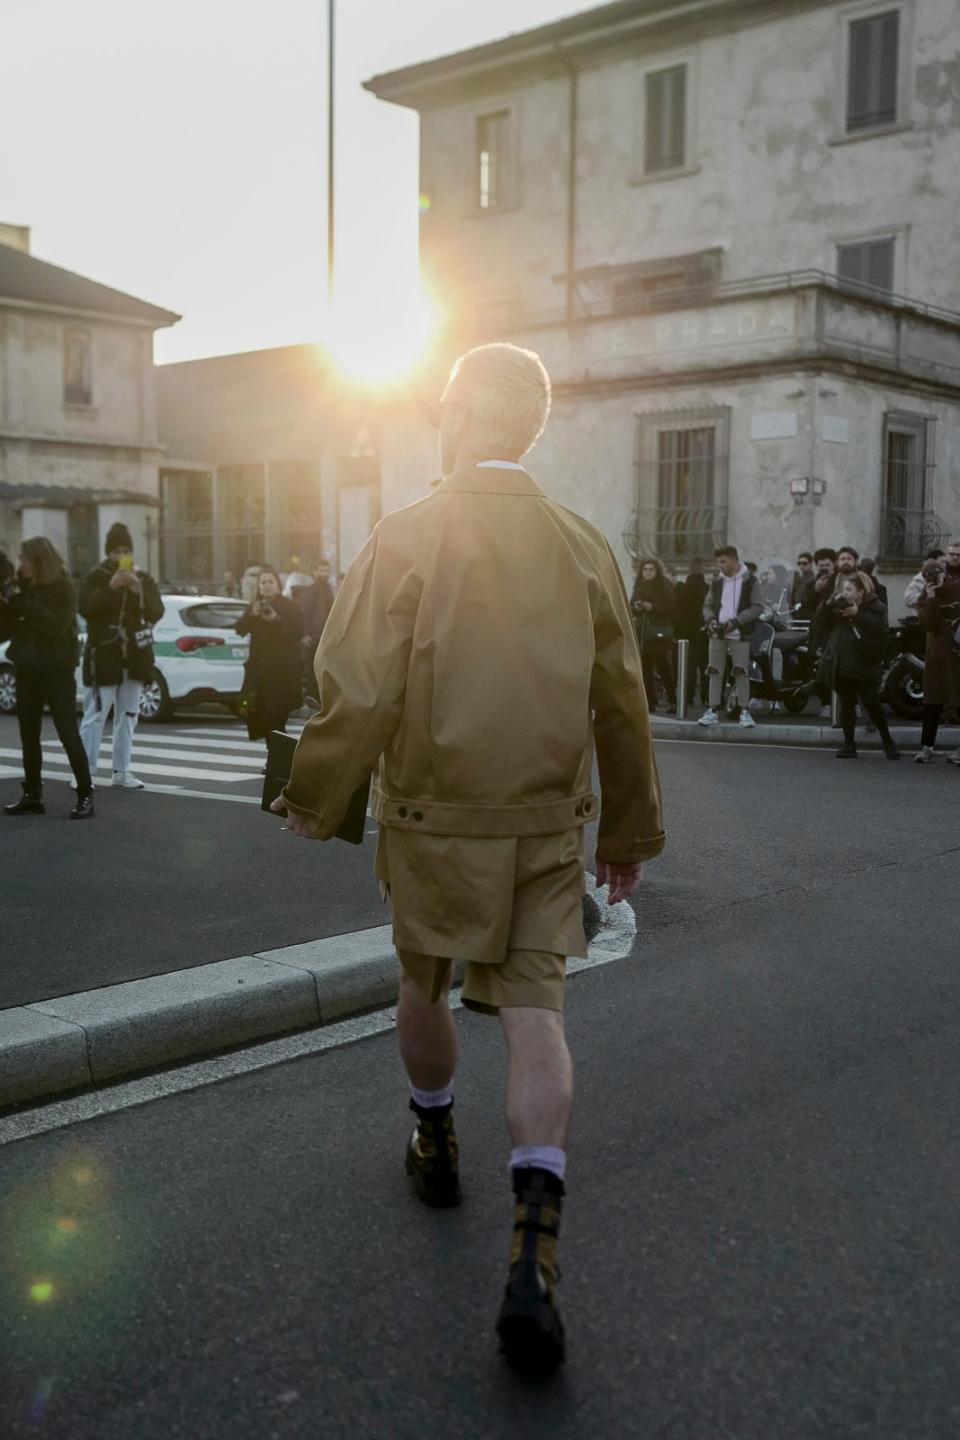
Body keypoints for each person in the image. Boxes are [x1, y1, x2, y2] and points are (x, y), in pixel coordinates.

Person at [272, 341, 664, 1369]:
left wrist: (315, 795)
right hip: (544, 821)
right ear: (530, 424)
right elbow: (623, 702)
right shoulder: (584, 543)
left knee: (423, 981)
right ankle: (535, 1244)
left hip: (431, 818)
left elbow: (359, 688)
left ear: (456, 414)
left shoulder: (406, 535)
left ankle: (435, 1142)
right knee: (539, 1018)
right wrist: (627, 832)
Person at [1, 537, 94, 818]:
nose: (20, 565)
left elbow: (55, 626)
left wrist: (23, 603)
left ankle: (86, 793)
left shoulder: (64, 587)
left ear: (39, 561)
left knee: (68, 733)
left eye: (24, 560)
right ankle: (32, 793)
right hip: (27, 668)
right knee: (28, 734)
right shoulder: (21, 588)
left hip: (57, 671)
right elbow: (6, 631)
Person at [78, 523, 164, 790]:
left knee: (128, 714)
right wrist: (111, 587)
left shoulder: (143, 578)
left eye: (126, 550)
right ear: (108, 552)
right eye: (116, 551)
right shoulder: (96, 576)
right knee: (97, 713)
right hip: (104, 654)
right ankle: (85, 771)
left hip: (134, 656)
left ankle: (122, 770)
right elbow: (86, 608)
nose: (121, 556)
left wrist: (139, 591)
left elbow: (156, 612)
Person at [817, 573, 900, 760]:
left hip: (865, 663)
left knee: (872, 704)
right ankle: (849, 744)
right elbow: (820, 622)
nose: (845, 593)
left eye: (849, 590)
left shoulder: (877, 607)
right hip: (842, 662)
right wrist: (828, 602)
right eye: (844, 589)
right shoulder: (838, 608)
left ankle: (888, 742)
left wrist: (857, 615)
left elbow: (879, 628)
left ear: (861, 591)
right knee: (846, 705)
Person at [235, 565, 304, 746]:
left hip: (282, 673)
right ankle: (275, 760)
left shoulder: (290, 606)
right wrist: (251, 615)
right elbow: (239, 629)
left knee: (277, 718)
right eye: (263, 583)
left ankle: (279, 763)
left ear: (278, 585)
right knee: (262, 716)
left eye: (270, 582)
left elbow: (297, 633)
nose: (267, 586)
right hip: (259, 674)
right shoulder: (255, 606)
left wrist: (276, 619)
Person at [698, 546, 763, 728]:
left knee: (741, 671)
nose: (720, 565)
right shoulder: (717, 581)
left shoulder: (750, 581)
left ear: (734, 560)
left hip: (739, 634)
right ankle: (712, 710)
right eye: (718, 561)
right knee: (714, 671)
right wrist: (710, 619)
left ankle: (744, 711)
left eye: (724, 561)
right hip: (717, 633)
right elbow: (708, 604)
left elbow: (758, 606)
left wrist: (736, 622)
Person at [913, 551, 960, 764]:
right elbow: (928, 624)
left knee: (958, 699)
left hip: (956, 653)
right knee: (932, 702)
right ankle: (926, 747)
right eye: (928, 575)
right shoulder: (925, 596)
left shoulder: (955, 588)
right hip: (936, 655)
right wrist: (931, 598)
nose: (933, 578)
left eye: (937, 573)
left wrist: (944, 588)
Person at [630, 557, 676, 713]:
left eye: (651, 569)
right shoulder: (639, 586)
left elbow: (671, 608)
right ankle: (649, 702)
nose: (647, 572)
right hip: (642, 633)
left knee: (663, 668)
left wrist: (652, 607)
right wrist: (637, 607)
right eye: (645, 569)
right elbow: (630, 606)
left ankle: (673, 700)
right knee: (645, 670)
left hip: (657, 632)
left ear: (657, 572)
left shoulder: (663, 586)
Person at [299, 557, 337, 703]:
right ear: (314, 572)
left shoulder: (329, 590)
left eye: (327, 570)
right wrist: (305, 634)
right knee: (312, 669)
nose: (324, 573)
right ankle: (313, 698)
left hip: (325, 637)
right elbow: (304, 614)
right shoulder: (310, 591)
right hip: (313, 637)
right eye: (321, 570)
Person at [675, 558, 708, 705]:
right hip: (704, 631)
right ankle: (706, 696)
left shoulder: (682, 588)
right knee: (705, 666)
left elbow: (678, 612)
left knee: (689, 667)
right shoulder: (707, 588)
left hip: (686, 633)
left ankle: (687, 698)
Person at [790, 552, 816, 617]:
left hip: (807, 613)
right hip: (796, 611)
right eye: (799, 563)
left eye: (804, 563)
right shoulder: (799, 579)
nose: (801, 566)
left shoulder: (814, 580)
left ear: (810, 564)